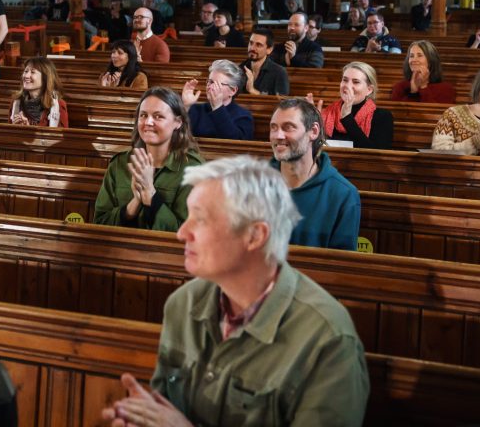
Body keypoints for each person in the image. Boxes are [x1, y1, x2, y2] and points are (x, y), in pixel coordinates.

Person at [101, 156, 369, 427]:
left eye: (201, 219)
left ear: (254, 235)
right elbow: (163, 411)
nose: (182, 232)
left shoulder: (327, 339)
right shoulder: (183, 303)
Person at [93, 87, 203, 231]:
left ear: (178, 122)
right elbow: (99, 223)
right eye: (143, 115)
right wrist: (133, 206)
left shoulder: (193, 169)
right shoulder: (120, 163)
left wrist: (151, 194)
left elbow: (188, 233)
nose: (148, 122)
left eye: (158, 116)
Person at [269, 98, 362, 251]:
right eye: (274, 128)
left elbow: (341, 269)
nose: (278, 135)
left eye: (288, 127)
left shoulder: (343, 194)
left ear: (313, 131)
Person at [311, 61, 393, 150]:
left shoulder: (382, 116)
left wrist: (347, 118)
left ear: (369, 90)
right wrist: (309, 121)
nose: (347, 86)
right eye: (345, 80)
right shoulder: (326, 112)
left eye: (356, 82)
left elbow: (377, 155)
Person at [181, 60, 253, 141]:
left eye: (217, 84)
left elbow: (236, 144)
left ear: (233, 91)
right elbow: (178, 137)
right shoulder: (195, 109)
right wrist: (185, 107)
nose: (210, 87)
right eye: (210, 82)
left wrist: (218, 107)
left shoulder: (243, 116)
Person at [9, 56, 68, 127]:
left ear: (45, 78)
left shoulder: (58, 105)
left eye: (33, 72)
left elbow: (60, 137)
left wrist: (28, 129)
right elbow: (9, 134)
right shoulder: (16, 102)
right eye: (26, 71)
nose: (26, 76)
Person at [390, 40, 456, 103]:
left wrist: (423, 87)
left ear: (431, 60)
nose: (414, 60)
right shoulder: (400, 87)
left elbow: (436, 113)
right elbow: (398, 112)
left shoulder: (446, 88)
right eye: (411, 56)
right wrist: (413, 93)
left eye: (419, 55)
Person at [241, 27, 290, 96]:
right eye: (251, 43)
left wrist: (252, 90)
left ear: (269, 50)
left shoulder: (279, 72)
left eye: (258, 45)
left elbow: (282, 103)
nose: (252, 48)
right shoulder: (239, 69)